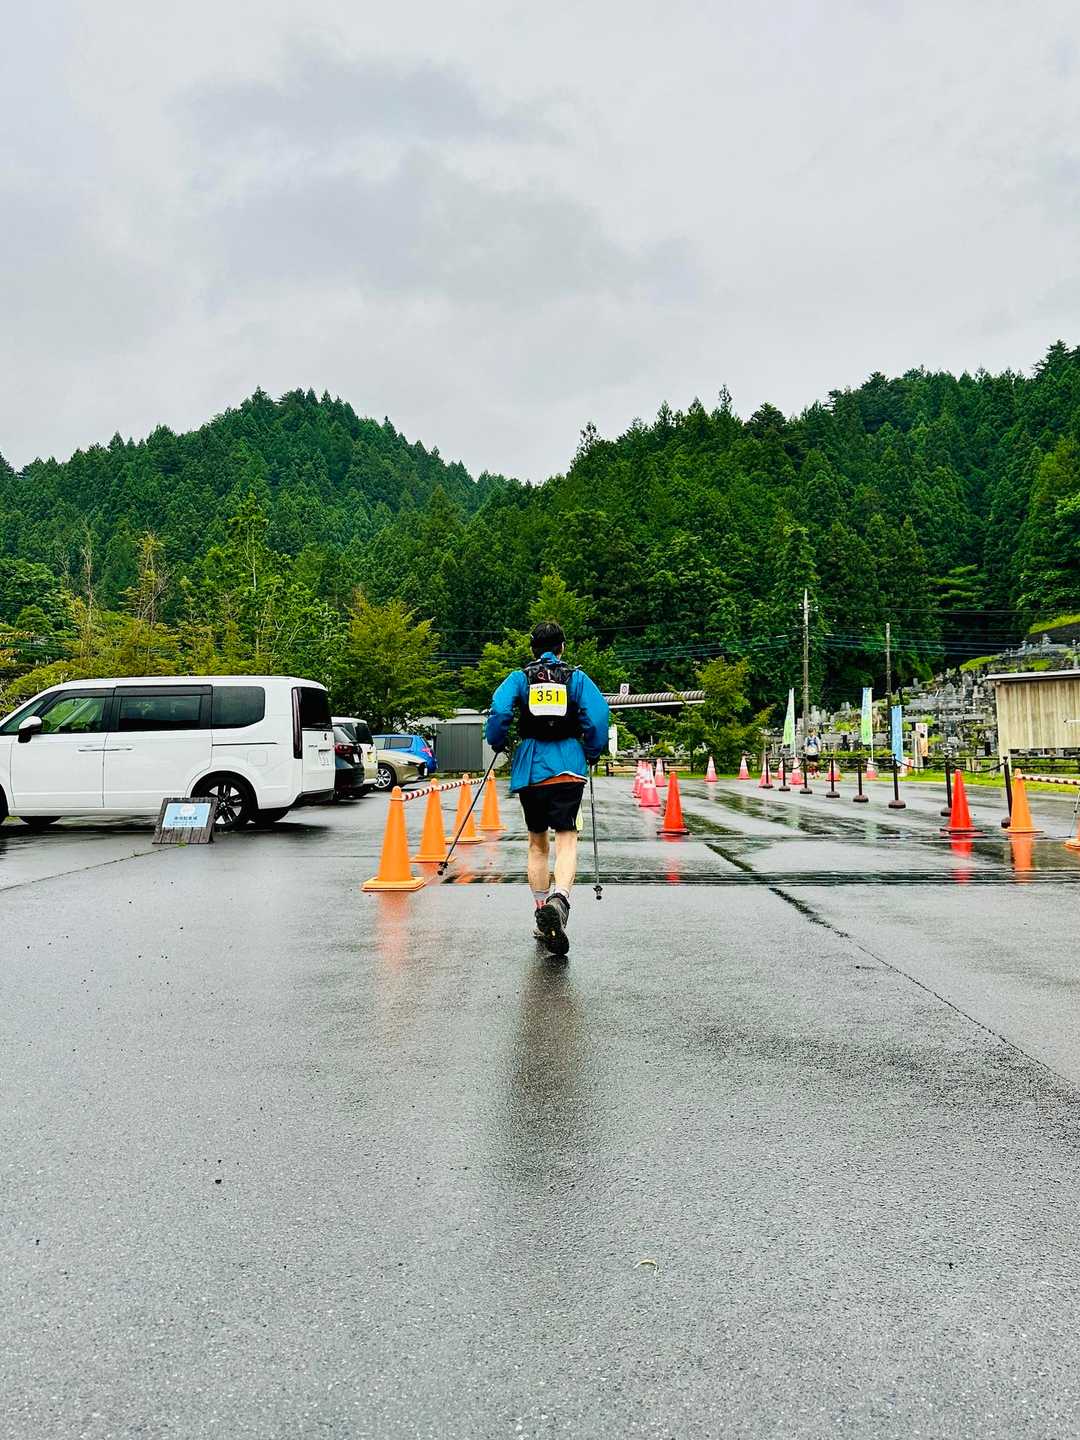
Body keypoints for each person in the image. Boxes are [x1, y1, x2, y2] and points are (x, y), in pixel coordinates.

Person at [485, 621, 611, 956]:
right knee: (567, 839)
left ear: (532, 648)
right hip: (568, 767)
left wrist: (498, 740)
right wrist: (592, 751)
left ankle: (542, 911)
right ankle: (561, 901)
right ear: (562, 647)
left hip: (531, 769)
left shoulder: (519, 678)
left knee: (537, 844)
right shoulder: (576, 678)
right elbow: (599, 715)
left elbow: (499, 710)